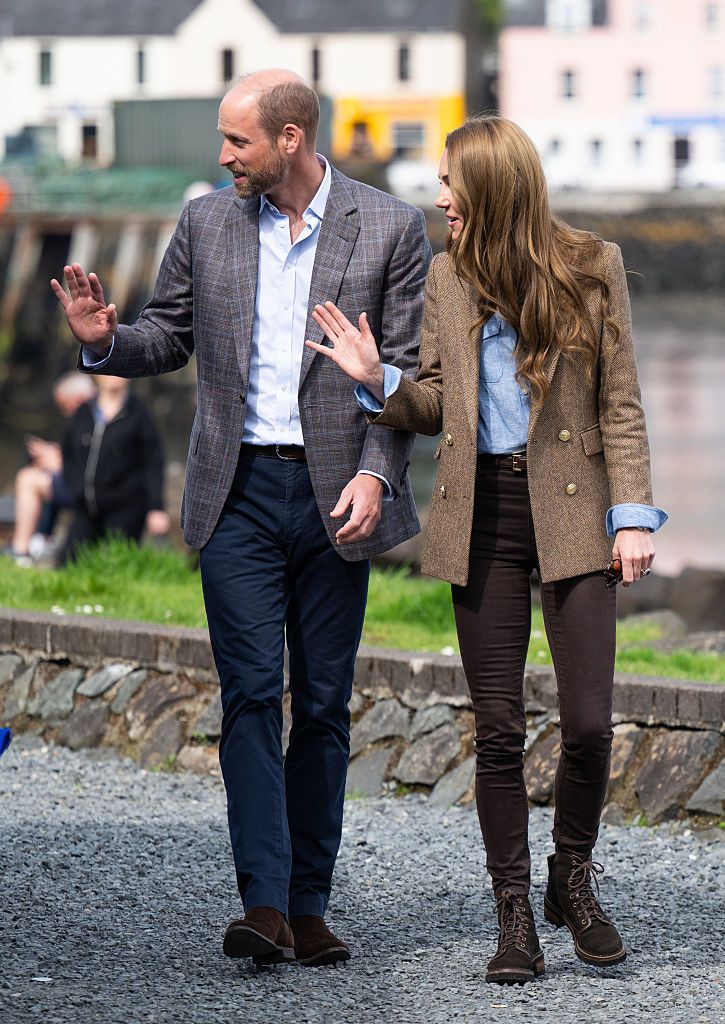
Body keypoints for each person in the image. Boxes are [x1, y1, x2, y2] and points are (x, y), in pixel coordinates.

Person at [51, 70, 429, 966]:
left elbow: (405, 376)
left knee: (326, 706)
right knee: (254, 694)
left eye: (237, 142)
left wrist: (378, 475)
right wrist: (103, 339)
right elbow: (166, 335)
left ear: (289, 139)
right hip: (236, 496)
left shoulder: (389, 227)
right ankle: (263, 902)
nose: (222, 157)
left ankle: (310, 902)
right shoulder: (208, 222)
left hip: (340, 494)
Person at [305, 116, 667, 984]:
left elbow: (619, 402)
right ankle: (514, 914)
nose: (438, 199)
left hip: (578, 513)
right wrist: (377, 382)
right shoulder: (444, 277)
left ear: (493, 189)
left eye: (449, 185)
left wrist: (632, 515)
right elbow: (435, 401)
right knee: (498, 728)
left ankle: (569, 877)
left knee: (585, 726)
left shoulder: (592, 266)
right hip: (483, 517)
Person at [57, 374, 169, 564]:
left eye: (120, 369)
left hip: (126, 506)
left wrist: (156, 507)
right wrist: (75, 488)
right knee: (68, 562)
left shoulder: (139, 413)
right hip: (87, 506)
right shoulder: (84, 412)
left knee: (117, 563)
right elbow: (68, 453)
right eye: (109, 369)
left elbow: (154, 461)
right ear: (96, 376)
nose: (114, 375)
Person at [8, 371, 96, 566]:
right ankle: (41, 539)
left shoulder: (91, 416)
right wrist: (52, 453)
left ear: (80, 399)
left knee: (28, 478)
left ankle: (21, 551)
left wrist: (57, 462)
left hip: (90, 489)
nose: (65, 413)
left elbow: (92, 461)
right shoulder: (94, 415)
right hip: (83, 482)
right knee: (43, 474)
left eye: (66, 406)